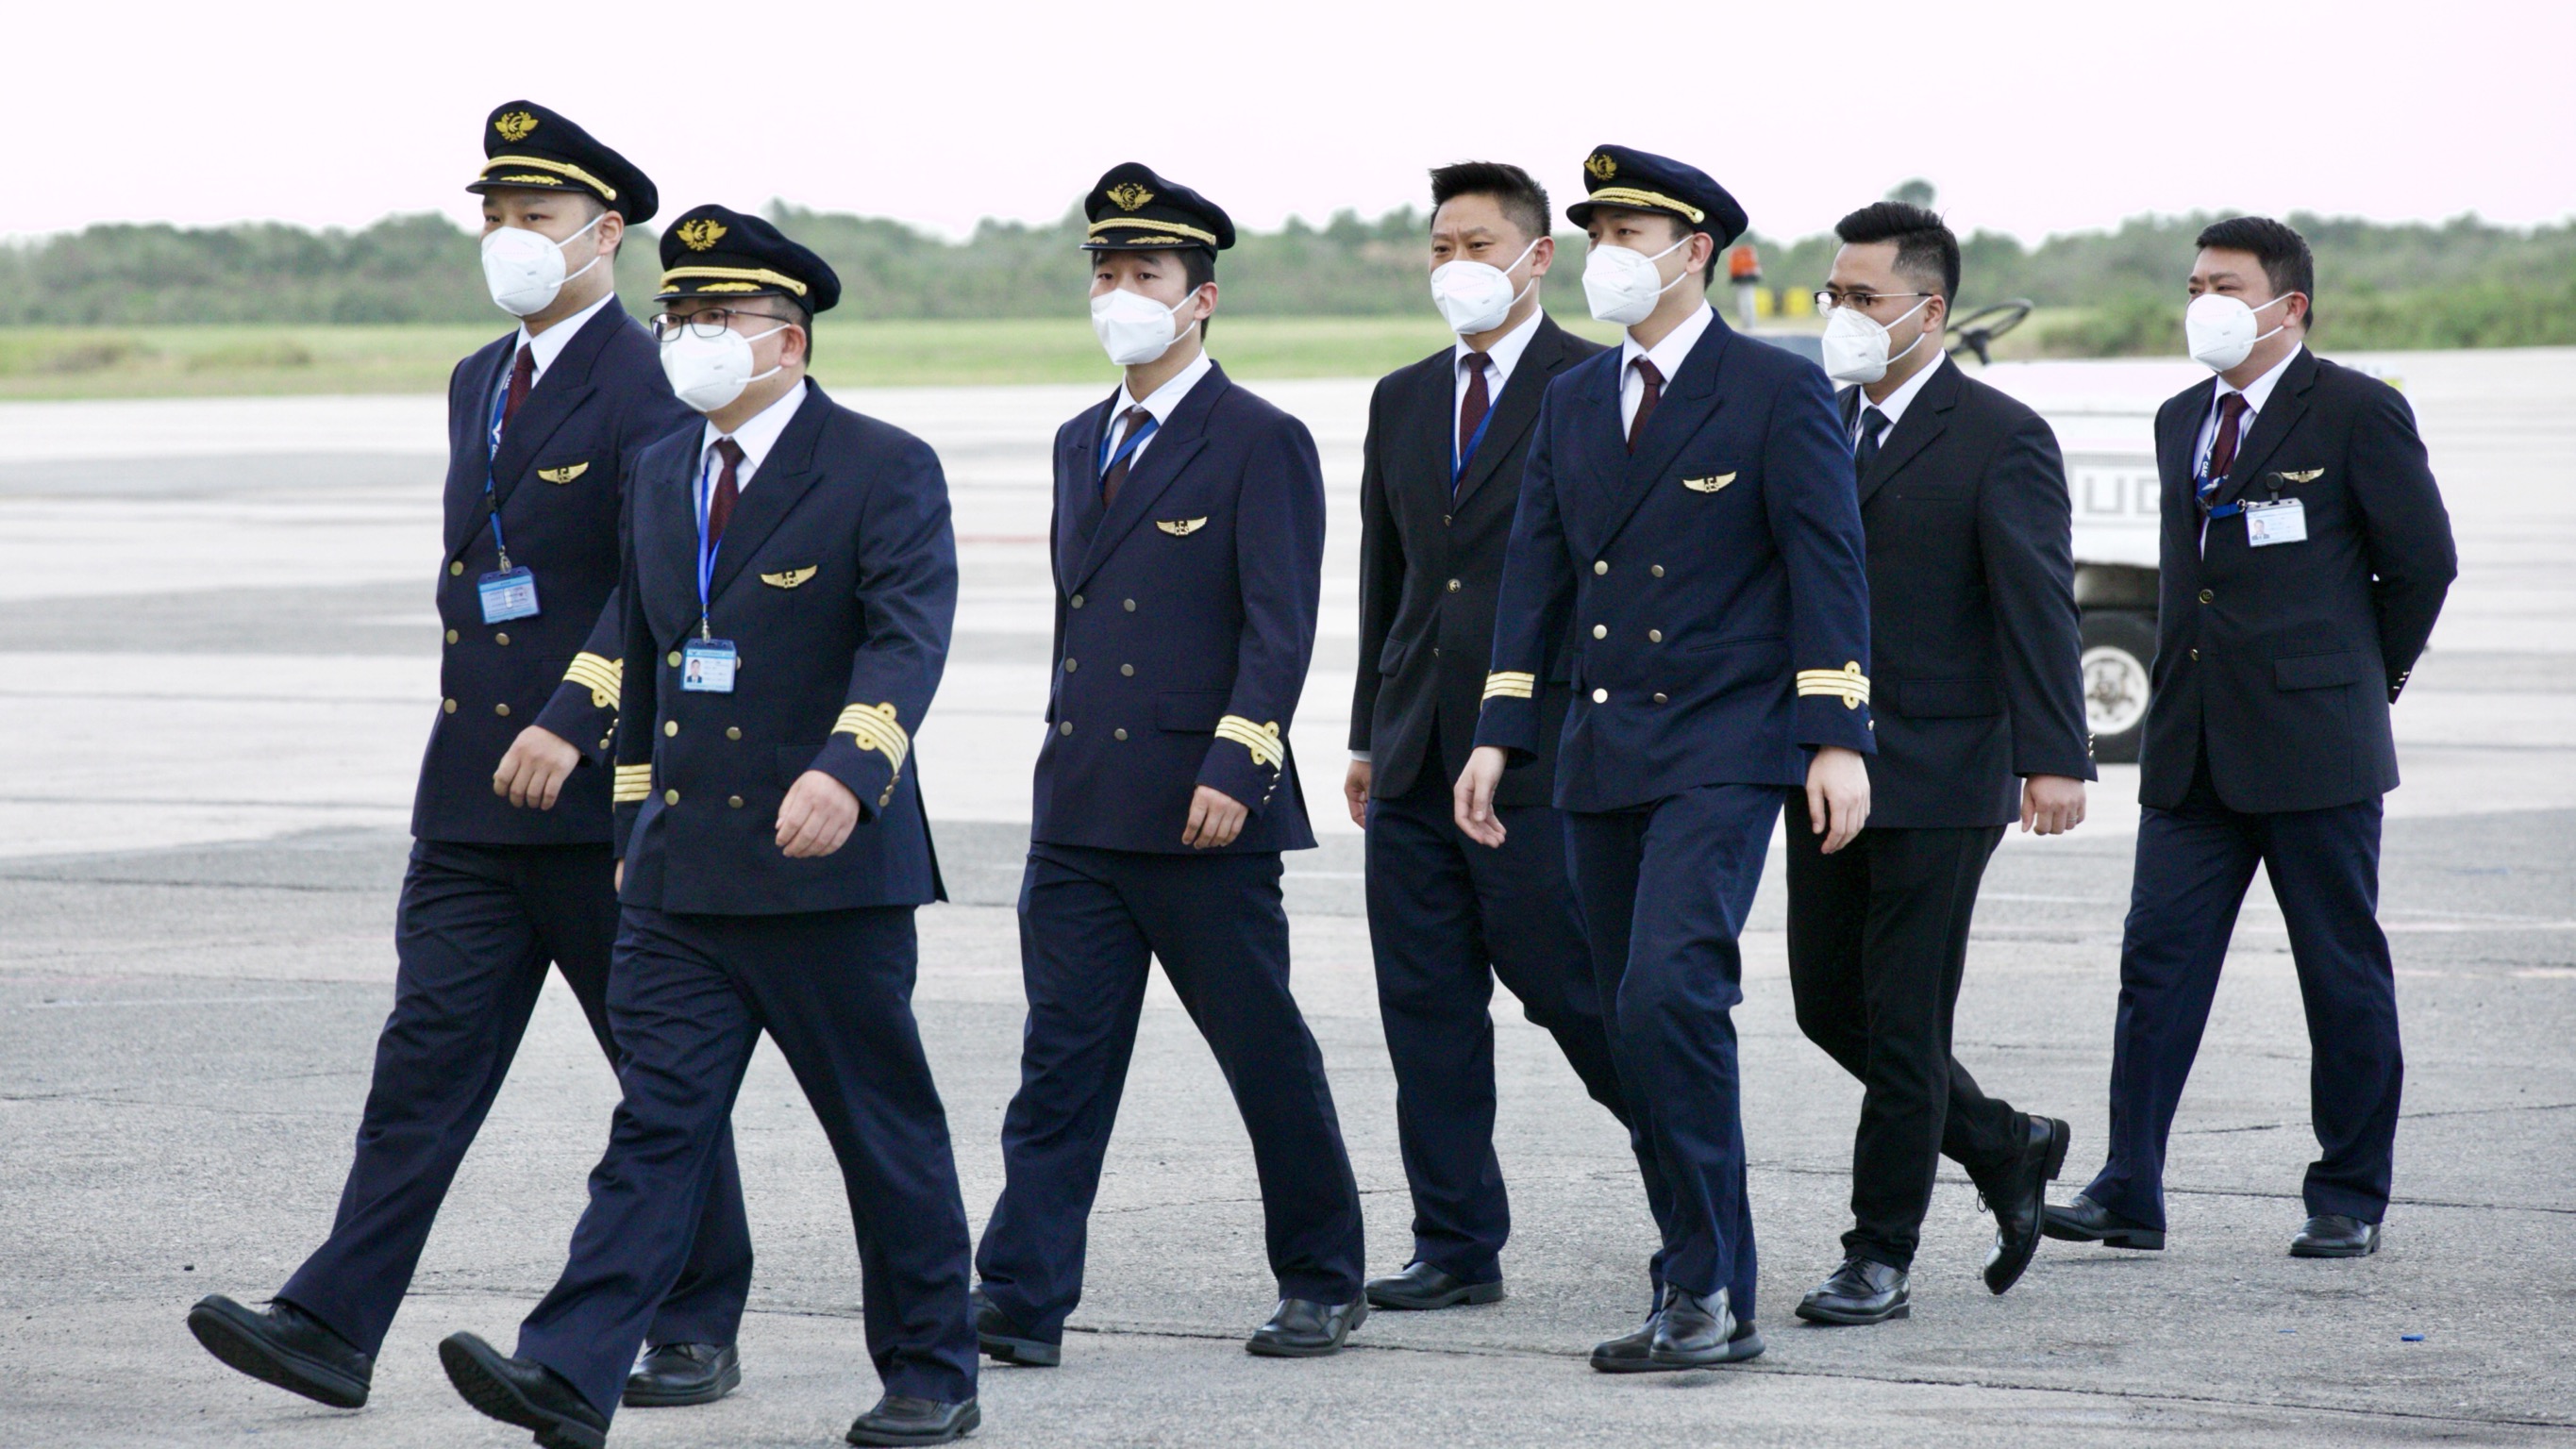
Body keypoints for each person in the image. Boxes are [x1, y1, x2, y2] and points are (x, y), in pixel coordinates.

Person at [187, 101, 755, 1415]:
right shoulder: (477, 379)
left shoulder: (654, 383)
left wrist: (575, 716)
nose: (508, 236)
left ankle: (695, 1318)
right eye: (495, 215)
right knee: (423, 1065)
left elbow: (656, 580)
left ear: (605, 234)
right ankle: (330, 1322)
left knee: (657, 1076)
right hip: (470, 794)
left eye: (535, 216)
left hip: (597, 793)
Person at [434, 207, 981, 1448]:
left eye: (716, 316)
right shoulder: (664, 467)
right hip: (681, 877)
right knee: (655, 1131)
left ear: (789, 340)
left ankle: (931, 1371)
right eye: (676, 314)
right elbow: (641, 656)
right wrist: (631, 829)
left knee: (881, 1135)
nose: (687, 336)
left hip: (826, 871)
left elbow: (908, 637)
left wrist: (852, 768)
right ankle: (568, 1369)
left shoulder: (881, 464)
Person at [1457, 144, 1875, 1372]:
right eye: (1597, 236)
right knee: (1628, 1021)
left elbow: (1827, 566)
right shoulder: (1575, 399)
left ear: (1695, 252)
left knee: (1671, 995)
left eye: (1629, 236)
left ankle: (1702, 1289)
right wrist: (1498, 731)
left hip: (1725, 745)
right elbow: (1535, 572)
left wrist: (1836, 735)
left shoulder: (1773, 389)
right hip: (1601, 752)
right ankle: (1700, 1275)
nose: (1608, 257)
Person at [971, 162, 1369, 1362]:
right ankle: (1021, 1298)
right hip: (1083, 811)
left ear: (1202, 299)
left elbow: (1279, 628)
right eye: (1106, 273)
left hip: (1204, 813)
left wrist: (1238, 767)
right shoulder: (1077, 438)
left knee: (1264, 1057)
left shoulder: (1259, 439)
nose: (1119, 294)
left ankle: (1323, 1278)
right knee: (1060, 1068)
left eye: (1145, 274)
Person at [2046, 216, 2455, 1261]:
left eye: (2224, 287)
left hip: (2317, 744)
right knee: (2156, 967)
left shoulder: (2357, 410)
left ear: (2289, 306)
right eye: (2194, 286)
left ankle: (2348, 1193)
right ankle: (2130, 1186)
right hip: (2191, 747)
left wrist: (2363, 681)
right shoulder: (2181, 416)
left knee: (2339, 973)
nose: (2203, 304)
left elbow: (2422, 565)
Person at [1786, 201, 2094, 1326]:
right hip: (1828, 762)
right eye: (1834, 295)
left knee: (1904, 1016)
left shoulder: (1998, 434)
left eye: (1863, 298)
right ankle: (2005, 1142)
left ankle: (1880, 1253)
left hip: (1945, 766)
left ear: (1930, 311)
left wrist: (2055, 756)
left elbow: (2037, 604)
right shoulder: (1817, 419)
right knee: (1828, 1005)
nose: (1842, 314)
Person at [1347, 160, 1632, 1314]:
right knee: (1426, 1011)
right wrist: (1367, 733)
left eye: (1477, 245)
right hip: (1415, 749)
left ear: (1537, 256)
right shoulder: (1402, 398)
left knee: (1579, 997)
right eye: (1440, 247)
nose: (1454, 266)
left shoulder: (1595, 384)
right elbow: (1390, 578)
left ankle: (1698, 1207)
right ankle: (1456, 1241)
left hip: (1541, 756)